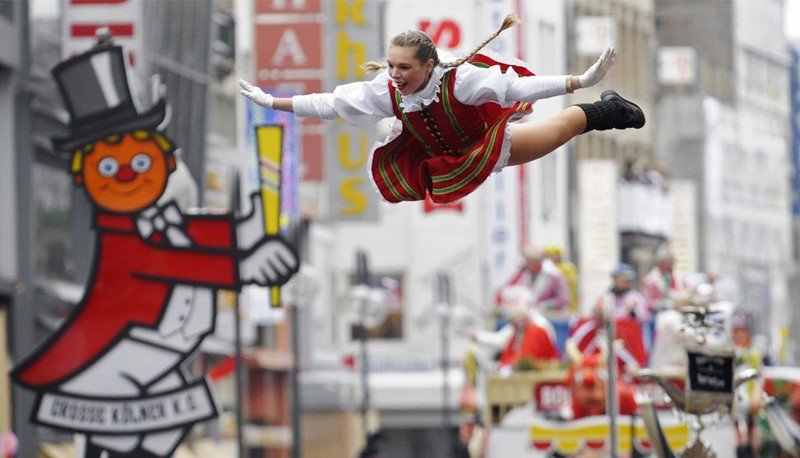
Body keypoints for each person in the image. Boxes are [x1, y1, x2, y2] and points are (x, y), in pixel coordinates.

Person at [12, 44, 298, 457]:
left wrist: (248, 229)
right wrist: (243, 264)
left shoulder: (168, 223)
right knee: (125, 432)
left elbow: (203, 231)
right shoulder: (121, 234)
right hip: (117, 356)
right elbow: (171, 263)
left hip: (155, 358)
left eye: (139, 162)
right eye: (108, 167)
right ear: (86, 176)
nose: (126, 173)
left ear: (162, 161)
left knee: (155, 426)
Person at [239, 14, 645, 204]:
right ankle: (602, 109)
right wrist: (273, 101)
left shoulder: (460, 80)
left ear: (428, 65)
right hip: (442, 155)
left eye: (405, 67)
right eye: (392, 65)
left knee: (562, 129)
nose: (395, 74)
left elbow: (518, 86)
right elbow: (331, 103)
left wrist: (579, 81)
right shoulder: (388, 89)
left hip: (483, 141)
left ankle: (607, 110)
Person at [505, 245, 570, 312]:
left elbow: (563, 299)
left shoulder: (553, 275)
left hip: (550, 316)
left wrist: (544, 306)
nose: (526, 264)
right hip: (529, 313)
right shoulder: (525, 274)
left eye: (528, 261)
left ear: (536, 262)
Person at [543, 244, 579, 313]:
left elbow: (572, 284)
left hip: (567, 305)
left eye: (552, 255)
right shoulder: (547, 268)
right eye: (549, 255)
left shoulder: (568, 268)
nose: (551, 258)